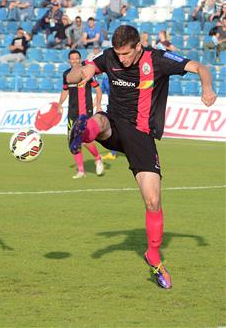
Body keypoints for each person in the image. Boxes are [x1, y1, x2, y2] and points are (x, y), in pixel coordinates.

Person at [66, 25, 217, 290]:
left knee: (153, 200)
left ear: (138, 46)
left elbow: (201, 67)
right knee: (99, 121)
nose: (121, 59)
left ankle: (154, 257)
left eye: (126, 54)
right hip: (114, 124)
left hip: (141, 137)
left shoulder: (158, 59)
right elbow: (86, 70)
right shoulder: (109, 57)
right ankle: (82, 132)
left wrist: (207, 89)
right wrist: (77, 74)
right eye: (118, 53)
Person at [57, 50, 104, 179]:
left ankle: (98, 158)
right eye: (72, 59)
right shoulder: (67, 74)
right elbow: (65, 90)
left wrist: (98, 103)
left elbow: (98, 89)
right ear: (69, 60)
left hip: (85, 112)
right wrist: (60, 103)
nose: (75, 61)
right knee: (73, 141)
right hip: (72, 112)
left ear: (80, 59)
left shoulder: (86, 72)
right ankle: (81, 171)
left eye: (77, 58)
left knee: (85, 140)